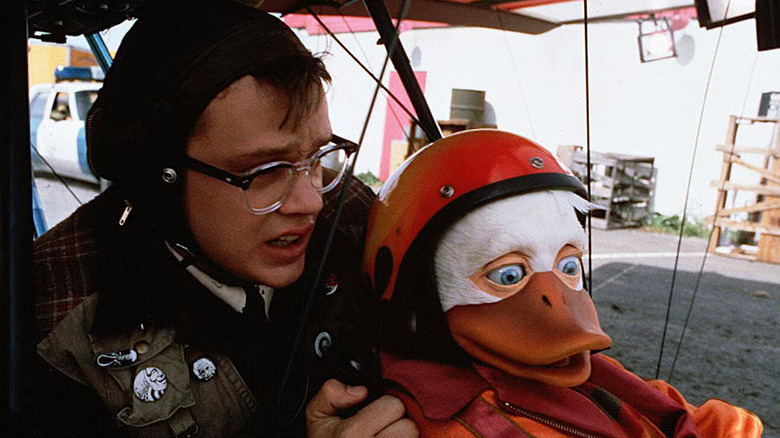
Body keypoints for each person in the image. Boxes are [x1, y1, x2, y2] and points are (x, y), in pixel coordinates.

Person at [29, 0, 417, 436]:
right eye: (265, 172)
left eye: (318, 158)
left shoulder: (357, 217)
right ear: (161, 178)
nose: (311, 201)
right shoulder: (54, 325)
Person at [363, 129, 763, 437]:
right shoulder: (463, 422)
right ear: (415, 296)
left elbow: (674, 409)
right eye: (508, 275)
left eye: (568, 265)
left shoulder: (581, 372)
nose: (557, 302)